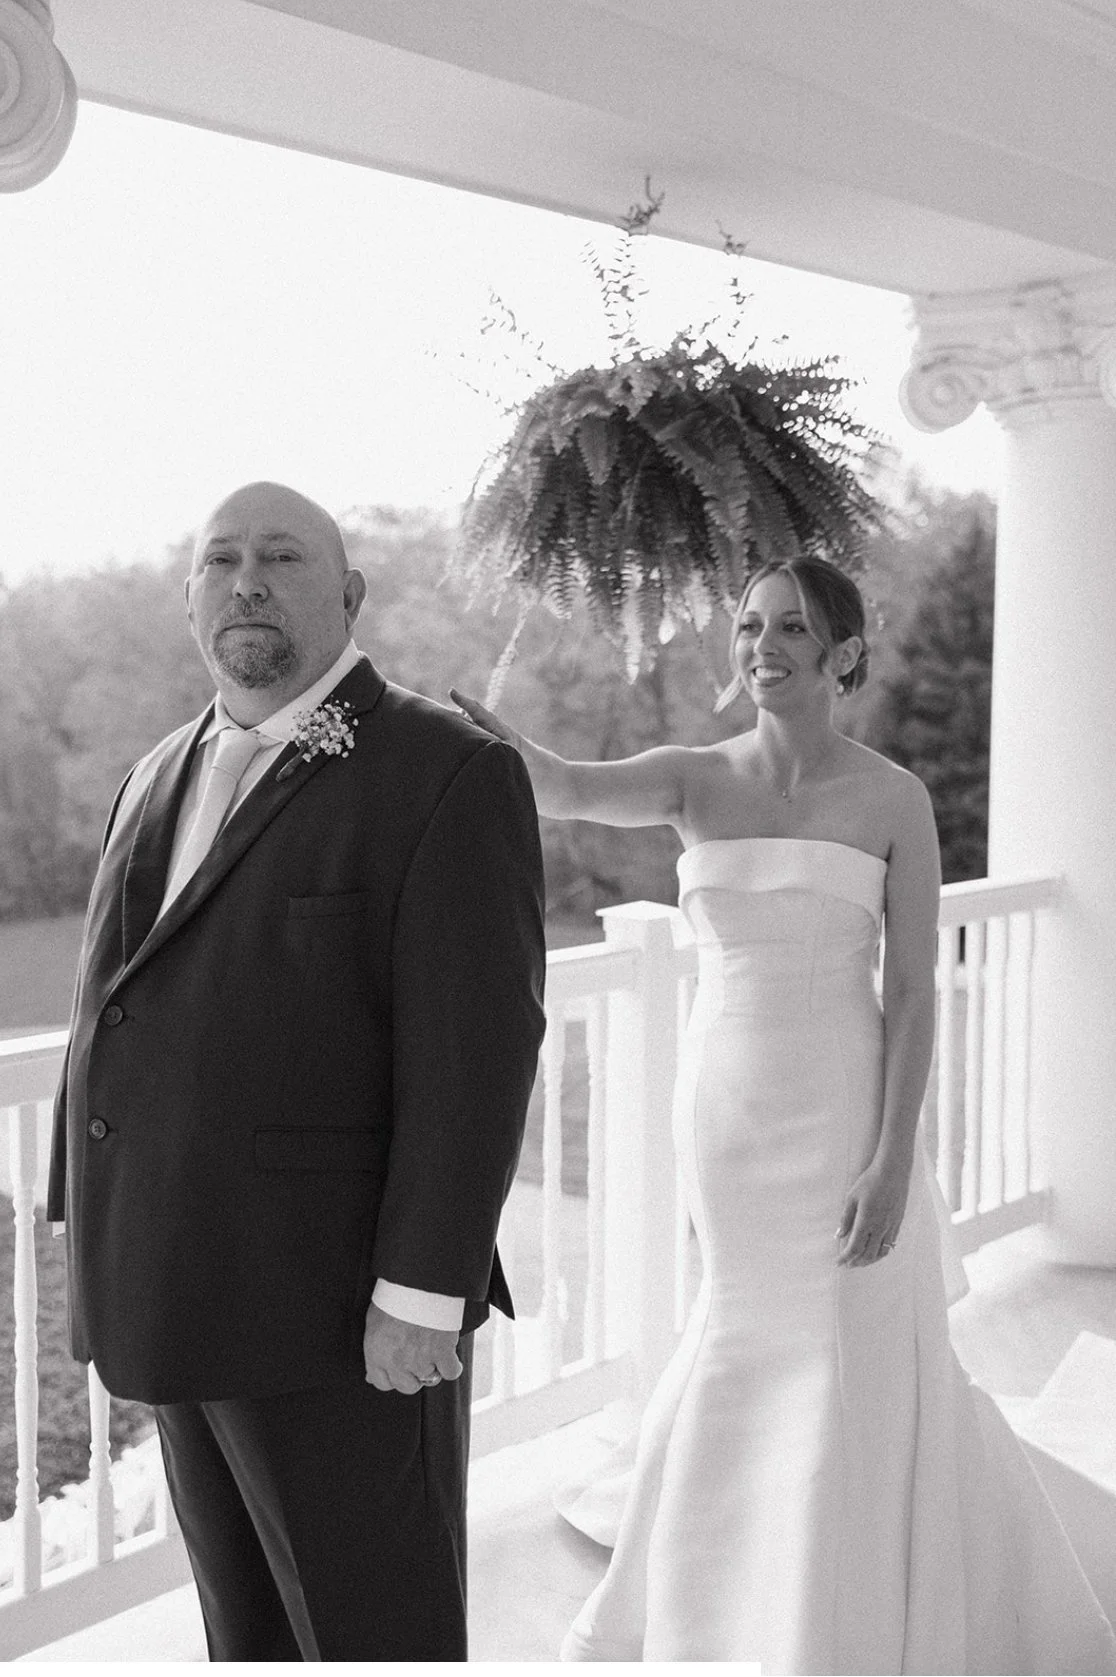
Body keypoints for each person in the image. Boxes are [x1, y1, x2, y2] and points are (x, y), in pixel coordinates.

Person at [453, 556, 1116, 1674]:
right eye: (751, 627)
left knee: (855, 1348)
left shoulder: (893, 797)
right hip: (728, 1112)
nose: (762, 645)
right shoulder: (693, 779)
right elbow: (555, 782)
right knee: (749, 1338)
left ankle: (854, 1609)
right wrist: (465, 731)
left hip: (847, 1106)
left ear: (845, 652)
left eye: (792, 628)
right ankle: (734, 1605)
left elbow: (910, 993)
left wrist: (895, 1155)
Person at [46, 481, 546, 1661]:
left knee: (378, 1633)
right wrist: (96, 1232)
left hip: (342, 1318)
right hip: (174, 1284)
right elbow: (112, 1011)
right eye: (219, 560)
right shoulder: (156, 772)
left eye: (281, 556)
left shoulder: (446, 770)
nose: (246, 580)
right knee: (248, 1636)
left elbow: (477, 1054)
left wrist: (423, 1293)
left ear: (351, 594)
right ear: (188, 599)